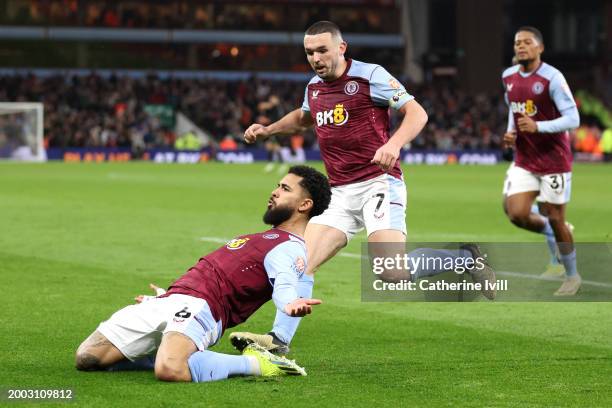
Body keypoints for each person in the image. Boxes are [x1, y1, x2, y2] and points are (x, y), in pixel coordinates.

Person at [236, 20, 433, 354]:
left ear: (342, 48)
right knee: (302, 262)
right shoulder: (314, 86)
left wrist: (394, 144)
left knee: (390, 272)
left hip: (378, 184)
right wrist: (268, 131)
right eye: (310, 52)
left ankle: (462, 258)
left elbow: (417, 113)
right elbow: (303, 117)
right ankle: (279, 340)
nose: (316, 58)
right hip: (340, 193)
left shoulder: (371, 76)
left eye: (322, 50)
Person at [75, 166, 332, 382]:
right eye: (278, 185)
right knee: (87, 358)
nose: (274, 192)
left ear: (305, 205)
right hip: (172, 299)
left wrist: (288, 303)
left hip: (204, 307)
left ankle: (257, 363)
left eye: (285, 189)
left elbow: (285, 280)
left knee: (170, 369)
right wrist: (167, 296)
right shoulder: (266, 237)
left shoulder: (290, 247)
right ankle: (168, 347)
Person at [501, 26, 581, 296]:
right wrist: (511, 132)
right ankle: (559, 231)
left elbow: (573, 119)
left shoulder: (552, 78)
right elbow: (514, 109)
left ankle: (571, 275)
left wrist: (539, 127)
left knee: (555, 218)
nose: (521, 47)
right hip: (524, 158)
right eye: (517, 43)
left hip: (554, 160)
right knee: (516, 213)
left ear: (540, 48)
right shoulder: (508, 77)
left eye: (527, 42)